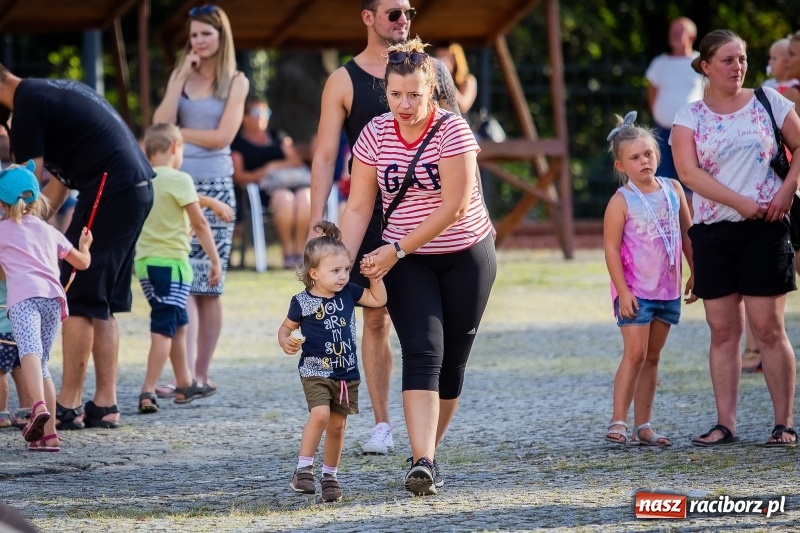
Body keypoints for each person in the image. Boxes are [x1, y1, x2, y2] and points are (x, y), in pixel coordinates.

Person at [341, 37, 496, 495]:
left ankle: (426, 450)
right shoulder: (374, 134)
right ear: (384, 93)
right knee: (423, 352)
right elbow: (358, 208)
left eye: (414, 95)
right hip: (409, 263)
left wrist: (396, 249)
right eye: (394, 95)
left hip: (467, 254)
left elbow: (452, 207)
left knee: (452, 366)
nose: (404, 104)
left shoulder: (454, 132)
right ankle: (423, 461)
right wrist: (342, 268)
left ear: (432, 91)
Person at [309, 0, 461, 457]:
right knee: (374, 315)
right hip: (368, 212)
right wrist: (320, 226)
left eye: (408, 12)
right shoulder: (344, 80)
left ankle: (424, 435)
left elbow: (458, 141)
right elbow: (323, 155)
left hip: (426, 216)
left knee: (432, 330)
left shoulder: (432, 71)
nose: (403, 20)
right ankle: (382, 424)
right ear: (368, 18)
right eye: (393, 12)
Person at [0, 64, 155, 431]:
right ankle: (105, 403)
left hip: (110, 187)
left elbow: (27, 185)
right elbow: (48, 194)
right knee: (102, 302)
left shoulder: (26, 109)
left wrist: (18, 227)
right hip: (134, 186)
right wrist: (35, 229)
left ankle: (68, 404)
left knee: (78, 293)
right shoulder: (44, 93)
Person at [672, 29, 800, 447]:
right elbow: (689, 174)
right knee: (723, 330)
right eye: (728, 60)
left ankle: (784, 424)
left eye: (742, 58)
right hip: (713, 232)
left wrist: (786, 191)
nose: (738, 66)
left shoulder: (770, 101)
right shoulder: (688, 115)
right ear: (706, 66)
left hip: (765, 228)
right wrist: (740, 202)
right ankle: (725, 423)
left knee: (768, 328)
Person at [152, 4, 249, 398]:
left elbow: (224, 137)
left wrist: (178, 136)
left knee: (211, 283)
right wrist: (178, 79)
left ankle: (201, 373)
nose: (198, 42)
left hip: (218, 186)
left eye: (205, 34)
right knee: (183, 280)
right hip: (178, 185)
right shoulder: (183, 76)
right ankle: (185, 377)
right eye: (193, 35)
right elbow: (158, 127)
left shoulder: (237, 81)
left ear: (220, 36)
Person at [602, 111, 695, 447]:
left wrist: (695, 270)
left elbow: (687, 234)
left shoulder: (673, 189)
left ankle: (644, 424)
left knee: (653, 357)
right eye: (635, 157)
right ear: (621, 167)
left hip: (667, 290)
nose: (644, 161)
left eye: (649, 154)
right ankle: (618, 419)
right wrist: (623, 292)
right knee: (635, 353)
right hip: (635, 292)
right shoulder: (620, 201)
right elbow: (611, 250)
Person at [278, 221, 387, 502]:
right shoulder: (301, 302)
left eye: (346, 269)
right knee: (321, 415)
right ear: (314, 273)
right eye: (335, 271)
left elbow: (378, 300)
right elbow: (285, 327)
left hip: (346, 373)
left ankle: (330, 476)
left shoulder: (349, 292)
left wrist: (375, 277)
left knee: (338, 426)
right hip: (315, 371)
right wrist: (285, 340)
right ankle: (303, 471)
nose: (342, 276)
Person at [135, 123, 233, 413]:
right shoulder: (181, 179)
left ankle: (184, 383)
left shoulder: (144, 178)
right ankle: (147, 390)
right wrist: (215, 260)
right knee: (165, 327)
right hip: (172, 265)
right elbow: (200, 224)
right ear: (176, 148)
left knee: (178, 321)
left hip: (146, 265)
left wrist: (207, 200)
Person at [0, 161, 93, 451]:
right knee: (42, 365)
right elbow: (83, 263)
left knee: (29, 351)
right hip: (54, 301)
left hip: (25, 300)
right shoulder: (47, 230)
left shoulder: (2, 232)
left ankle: (38, 406)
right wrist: (85, 244)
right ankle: (49, 435)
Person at [231, 96, 310, 270]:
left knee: (305, 197)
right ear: (243, 117)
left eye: (264, 112)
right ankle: (287, 253)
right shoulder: (238, 144)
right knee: (284, 198)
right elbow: (239, 175)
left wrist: (271, 166)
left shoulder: (278, 136)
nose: (261, 116)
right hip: (263, 192)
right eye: (256, 112)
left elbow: (295, 160)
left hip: (294, 184)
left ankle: (299, 251)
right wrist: (260, 175)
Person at [645, 17, 704, 182]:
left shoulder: (701, 63)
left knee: (692, 183)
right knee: (661, 182)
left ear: (692, 36)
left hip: (693, 134)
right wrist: (661, 114)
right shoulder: (659, 63)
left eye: (680, 32)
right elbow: (652, 94)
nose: (675, 36)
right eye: (673, 32)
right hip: (662, 132)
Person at [0, 265, 32, 430]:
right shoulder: (18, 264)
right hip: (21, 327)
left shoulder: (4, 264)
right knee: (21, 369)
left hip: (2, 331)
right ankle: (26, 414)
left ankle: (1, 414)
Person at [434, 42, 478, 113]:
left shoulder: (468, 80)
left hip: (460, 121)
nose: (440, 63)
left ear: (455, 59)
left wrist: (445, 78)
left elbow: (463, 106)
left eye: (444, 58)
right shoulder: (435, 79)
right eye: (438, 58)